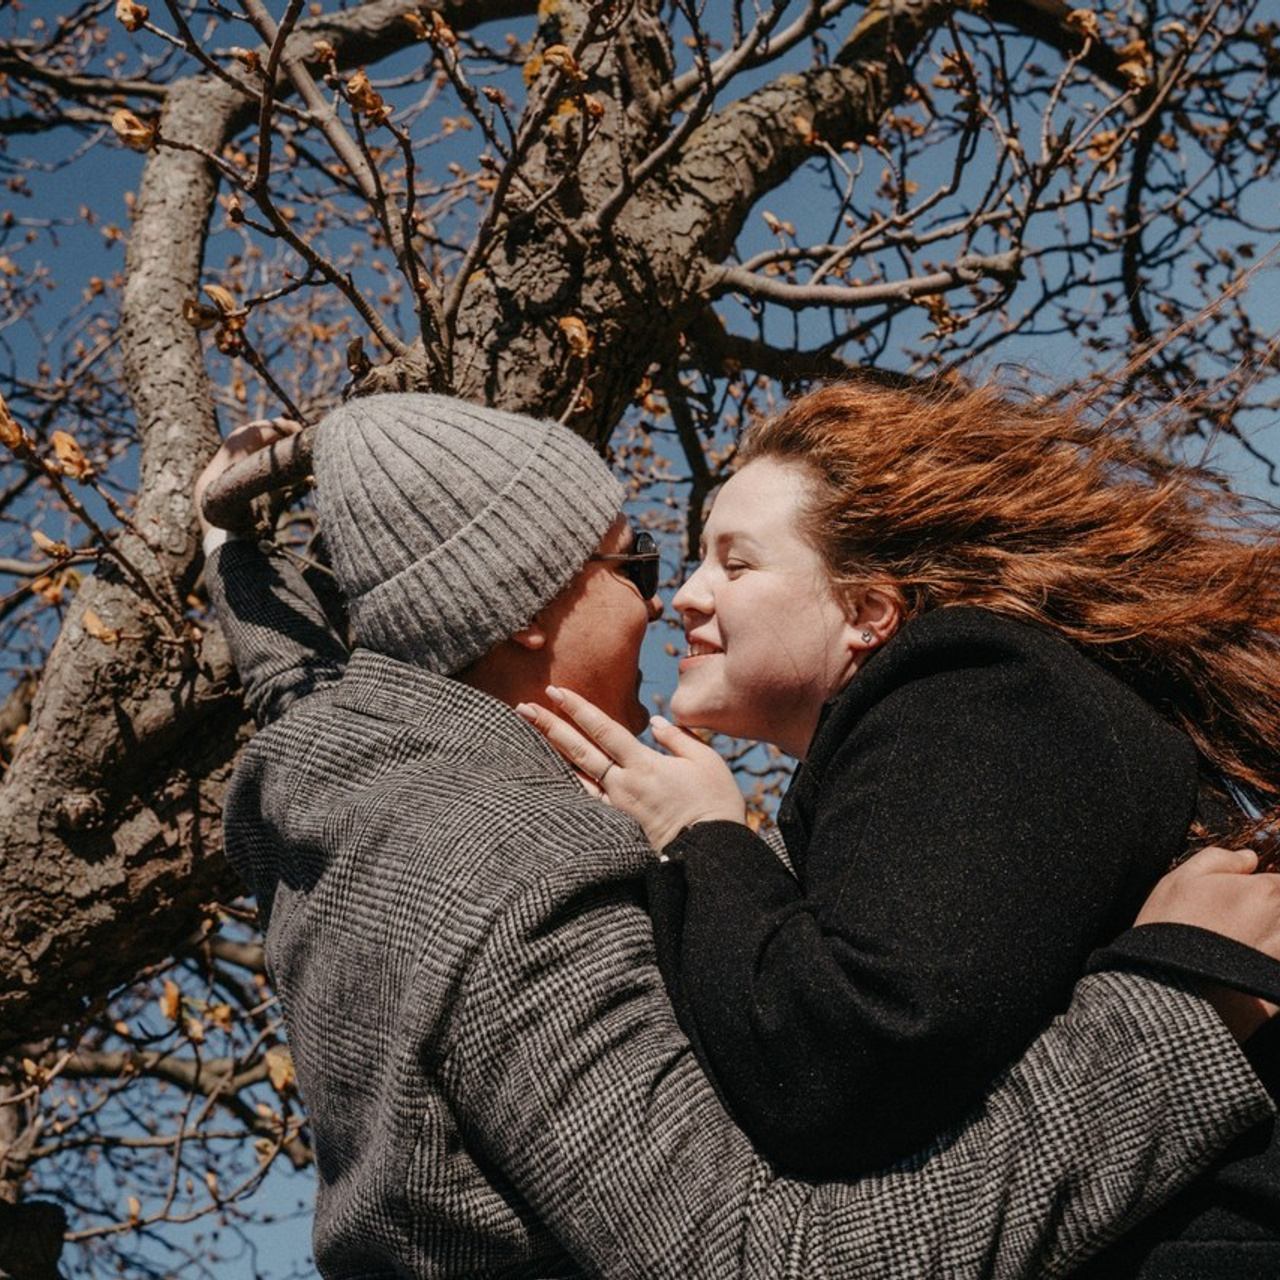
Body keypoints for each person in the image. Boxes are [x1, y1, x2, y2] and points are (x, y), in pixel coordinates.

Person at [197, 393, 1280, 1279]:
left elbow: (297, 688)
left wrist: (230, 546)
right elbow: (761, 1254)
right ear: (524, 606)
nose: (668, 600)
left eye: (727, 562)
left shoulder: (351, 795)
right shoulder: (508, 868)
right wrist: (1181, 1003)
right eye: (636, 564)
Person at [521, 379, 1280, 1275]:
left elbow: (844, 1065)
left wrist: (703, 831)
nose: (682, 597)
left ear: (867, 612)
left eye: (736, 563)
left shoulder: (979, 685)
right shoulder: (929, 733)